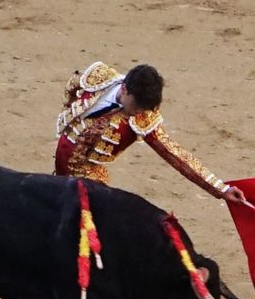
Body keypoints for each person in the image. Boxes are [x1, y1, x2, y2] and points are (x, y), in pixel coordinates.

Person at [55, 63, 240, 206]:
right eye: (136, 107)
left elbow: (175, 154)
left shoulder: (144, 120)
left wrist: (221, 189)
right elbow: (73, 89)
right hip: (60, 173)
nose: (139, 113)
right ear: (124, 89)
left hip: (88, 182)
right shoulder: (99, 78)